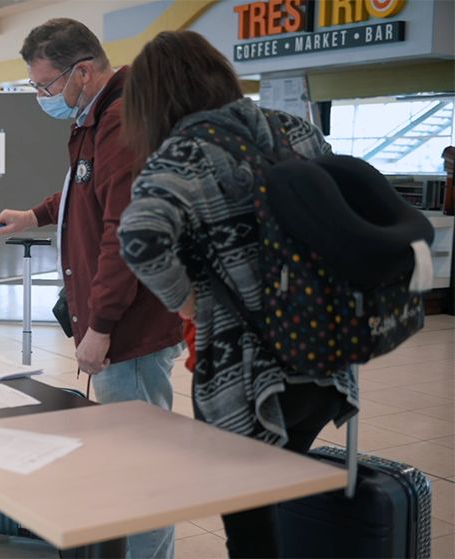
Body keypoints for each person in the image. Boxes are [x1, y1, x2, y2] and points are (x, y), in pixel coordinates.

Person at [117, 31, 359, 558]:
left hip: (244, 374)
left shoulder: (183, 152)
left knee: (249, 527)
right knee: (277, 494)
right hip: (321, 360)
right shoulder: (299, 131)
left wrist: (187, 303)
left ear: (154, 100)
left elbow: (140, 239)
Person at [0, 18, 183, 559]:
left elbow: (124, 234)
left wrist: (99, 326)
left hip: (133, 330)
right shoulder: (93, 119)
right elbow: (86, 189)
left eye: (45, 85)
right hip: (117, 324)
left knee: (145, 466)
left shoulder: (123, 122)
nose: (41, 96)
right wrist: (35, 213)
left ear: (83, 71)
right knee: (126, 460)